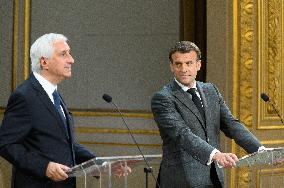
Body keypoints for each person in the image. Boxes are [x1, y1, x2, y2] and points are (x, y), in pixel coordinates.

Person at [0, 33, 129, 188]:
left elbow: (66, 144)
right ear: (44, 62)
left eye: (69, 53)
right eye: (63, 54)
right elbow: (6, 144)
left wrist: (101, 165)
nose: (71, 59)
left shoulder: (54, 94)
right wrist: (44, 167)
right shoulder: (24, 96)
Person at [151, 41, 263, 188]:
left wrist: (260, 151)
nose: (183, 69)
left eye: (189, 63)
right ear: (171, 66)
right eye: (178, 64)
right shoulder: (163, 98)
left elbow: (231, 123)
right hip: (181, 179)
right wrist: (216, 155)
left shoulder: (211, 90)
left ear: (198, 65)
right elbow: (182, 134)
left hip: (213, 177)